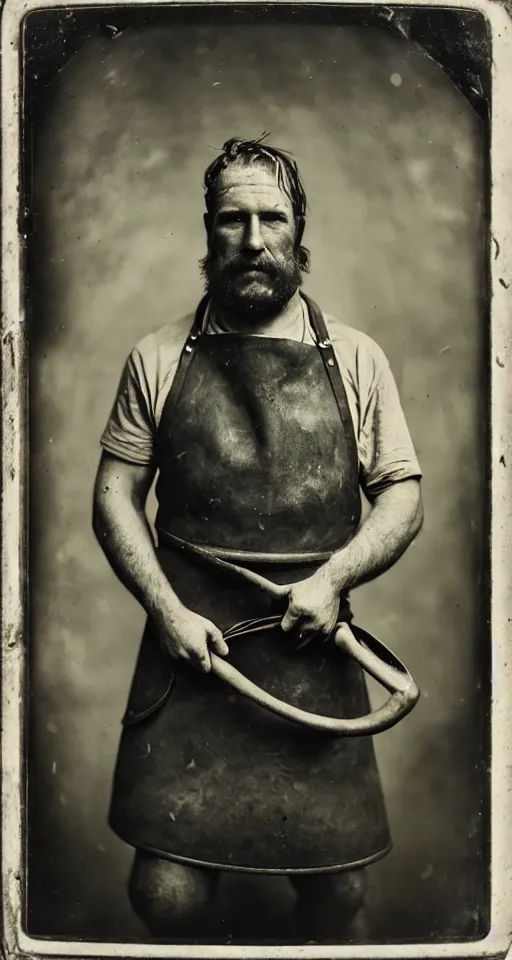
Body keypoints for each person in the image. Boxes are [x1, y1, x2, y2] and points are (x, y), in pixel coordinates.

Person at [93, 136, 423, 942]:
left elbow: (403, 498)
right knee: (165, 895)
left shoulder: (356, 358)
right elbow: (113, 496)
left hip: (312, 651)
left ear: (299, 230)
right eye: (232, 220)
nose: (252, 240)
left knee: (339, 894)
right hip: (194, 654)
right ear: (207, 233)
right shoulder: (157, 356)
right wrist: (168, 612)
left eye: (271, 218)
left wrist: (334, 579)